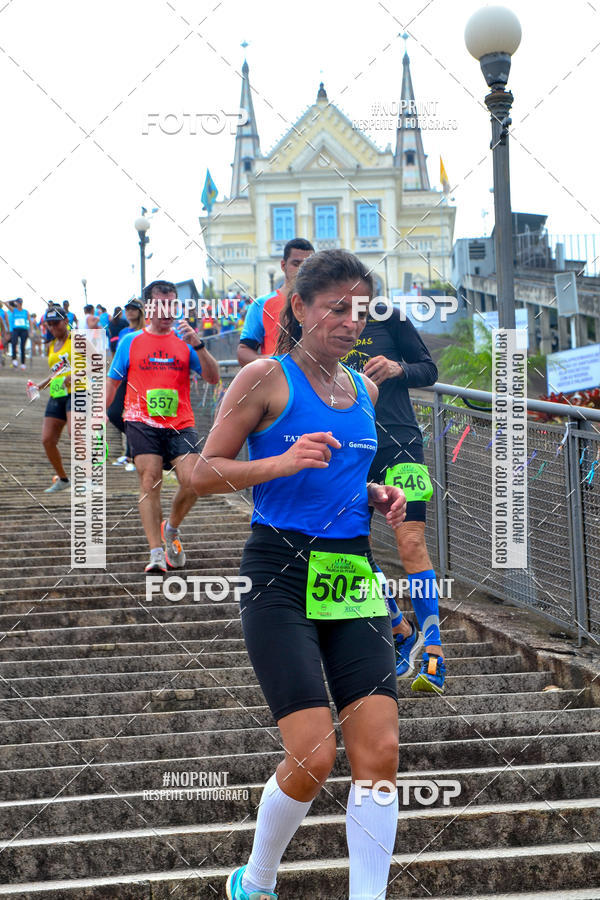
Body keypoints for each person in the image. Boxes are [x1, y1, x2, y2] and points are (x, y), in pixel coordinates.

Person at [193, 250, 406, 900]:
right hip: (280, 572)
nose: (350, 321)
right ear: (300, 309)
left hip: (350, 571)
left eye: (361, 310)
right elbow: (200, 472)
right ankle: (255, 881)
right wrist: (278, 465)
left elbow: (338, 472)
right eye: (337, 308)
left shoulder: (365, 389)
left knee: (381, 755)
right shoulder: (265, 378)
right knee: (315, 756)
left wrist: (373, 494)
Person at [342, 301, 445, 692]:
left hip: (400, 445)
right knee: (352, 550)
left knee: (411, 543)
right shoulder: (317, 327)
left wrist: (399, 368)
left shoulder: (390, 317)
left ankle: (434, 655)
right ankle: (401, 630)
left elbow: (428, 369)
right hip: (348, 450)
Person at [106, 280, 220, 573]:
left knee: (194, 481)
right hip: (140, 419)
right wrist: (100, 418)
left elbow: (212, 377)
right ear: (148, 307)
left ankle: (171, 528)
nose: (169, 311)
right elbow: (113, 381)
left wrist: (200, 346)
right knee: (150, 480)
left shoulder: (185, 342)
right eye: (161, 305)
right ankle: (156, 553)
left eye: (173, 305)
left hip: (180, 422)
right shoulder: (130, 342)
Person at [237, 238, 314, 366]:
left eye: (307, 265)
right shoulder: (261, 305)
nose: (302, 270)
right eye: (296, 264)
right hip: (276, 382)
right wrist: (277, 362)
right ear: (283, 265)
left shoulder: (323, 304)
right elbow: (243, 352)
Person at [28, 307, 73, 492]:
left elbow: (97, 364)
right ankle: (63, 479)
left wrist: (76, 375)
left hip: (79, 391)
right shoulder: (52, 344)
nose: (53, 327)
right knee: (47, 439)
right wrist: (39, 386)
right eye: (50, 324)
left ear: (66, 321)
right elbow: (56, 374)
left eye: (56, 322)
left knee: (75, 434)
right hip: (58, 393)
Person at [107, 299, 146, 469]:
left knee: (135, 415)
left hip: (140, 379)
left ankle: (131, 454)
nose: (130, 312)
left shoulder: (145, 331)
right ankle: (136, 442)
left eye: (133, 309)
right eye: (127, 309)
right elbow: (118, 355)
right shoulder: (124, 332)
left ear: (140, 311)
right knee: (114, 413)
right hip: (123, 378)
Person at [9, 298, 30, 368]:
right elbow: (5, 303)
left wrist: (31, 331)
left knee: (22, 347)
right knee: (14, 343)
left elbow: (29, 321)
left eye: (21, 303)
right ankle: (14, 359)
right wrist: (13, 300)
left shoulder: (26, 312)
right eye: (18, 303)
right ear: (16, 303)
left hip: (24, 330)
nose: (20, 304)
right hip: (16, 330)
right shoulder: (14, 310)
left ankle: (23, 363)